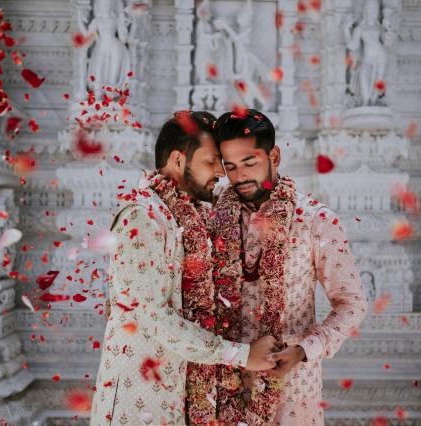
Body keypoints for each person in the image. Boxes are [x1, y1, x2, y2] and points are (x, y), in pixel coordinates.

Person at [90, 111, 281, 426]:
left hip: (181, 399)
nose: (220, 172)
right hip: (138, 404)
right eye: (210, 162)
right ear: (178, 160)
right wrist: (243, 356)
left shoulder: (189, 218)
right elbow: (156, 319)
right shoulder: (142, 218)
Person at [207, 108, 369, 425]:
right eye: (231, 167)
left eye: (250, 162)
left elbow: (352, 303)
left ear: (274, 156)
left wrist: (304, 350)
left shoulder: (314, 220)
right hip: (224, 385)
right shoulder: (213, 218)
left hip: (293, 390)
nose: (239, 176)